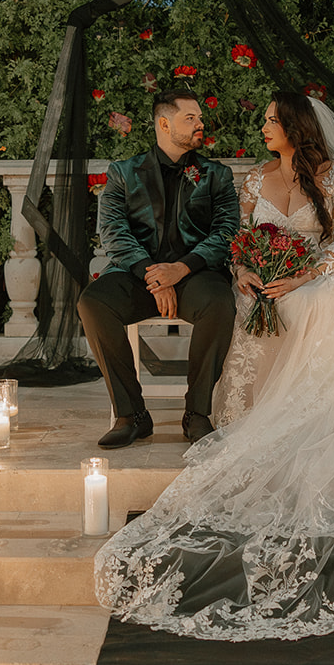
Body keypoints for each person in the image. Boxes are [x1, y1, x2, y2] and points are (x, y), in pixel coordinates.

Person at [94, 92, 334, 641]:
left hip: (314, 278)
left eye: (270, 120)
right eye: (263, 119)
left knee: (298, 303)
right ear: (165, 122)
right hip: (250, 277)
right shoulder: (249, 178)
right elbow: (237, 240)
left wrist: (300, 275)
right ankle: (173, 410)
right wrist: (243, 270)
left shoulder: (333, 178)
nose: (262, 126)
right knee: (234, 299)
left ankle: (276, 407)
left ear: (296, 126)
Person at [77, 89, 241, 448]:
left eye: (200, 117)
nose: (200, 124)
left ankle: (197, 412)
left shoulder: (216, 176)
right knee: (93, 302)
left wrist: (179, 271)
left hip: (195, 276)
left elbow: (226, 233)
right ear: (164, 124)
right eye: (191, 118)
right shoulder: (123, 173)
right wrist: (154, 275)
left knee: (220, 303)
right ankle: (132, 413)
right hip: (137, 275)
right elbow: (113, 233)